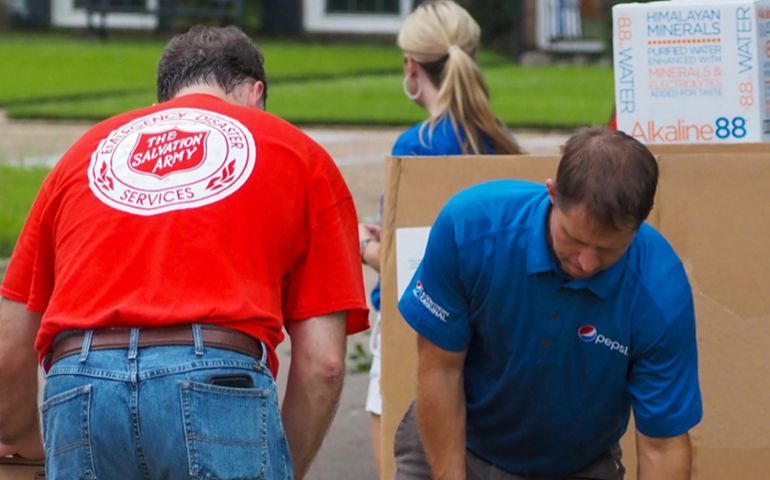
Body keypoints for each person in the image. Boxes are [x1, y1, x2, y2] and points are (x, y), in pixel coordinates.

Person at [0, 25, 369, 480]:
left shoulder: (83, 154)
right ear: (257, 95)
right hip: (217, 381)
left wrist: (21, 441)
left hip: (81, 384)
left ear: (160, 106)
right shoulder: (302, 155)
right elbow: (324, 364)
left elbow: (9, 343)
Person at [395, 127, 702, 479]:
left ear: (638, 227)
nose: (586, 263)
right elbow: (441, 370)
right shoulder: (471, 230)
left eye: (609, 249)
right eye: (574, 238)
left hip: (576, 462)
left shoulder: (659, 291)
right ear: (552, 193)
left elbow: (662, 448)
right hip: (457, 439)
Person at [357, 0, 522, 474]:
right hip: (490, 323)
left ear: (412, 67)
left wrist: (367, 248)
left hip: (419, 325)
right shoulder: (499, 140)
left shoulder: (417, 147)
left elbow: (410, 262)